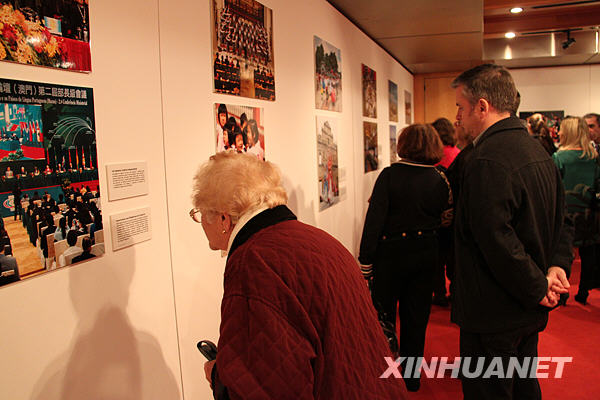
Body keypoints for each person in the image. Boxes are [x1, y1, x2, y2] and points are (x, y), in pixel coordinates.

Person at [191, 152, 405, 399]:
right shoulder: (315, 238)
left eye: (199, 213)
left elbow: (266, 385)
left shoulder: (253, 263)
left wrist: (220, 377)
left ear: (222, 219)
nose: (200, 222)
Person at [451, 64, 573, 400]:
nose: (458, 118)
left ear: (482, 107)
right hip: (524, 305)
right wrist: (555, 269)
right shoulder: (539, 151)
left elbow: (495, 240)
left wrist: (539, 284)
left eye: (461, 107)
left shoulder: (485, 159)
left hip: (495, 310)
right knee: (523, 384)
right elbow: (562, 221)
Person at [359, 123, 451, 392]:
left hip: (391, 254)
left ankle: (383, 371)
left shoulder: (390, 176)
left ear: (404, 145)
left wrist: (366, 261)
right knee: (416, 316)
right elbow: (445, 219)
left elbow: (374, 221)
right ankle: (412, 377)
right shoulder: (439, 177)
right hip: (426, 251)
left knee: (383, 315)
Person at [553, 116, 600, 305]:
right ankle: (583, 291)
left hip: (565, 215)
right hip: (589, 214)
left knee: (563, 253)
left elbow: (554, 187)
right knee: (588, 254)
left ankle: (562, 293)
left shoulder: (559, 158)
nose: (559, 132)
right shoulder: (594, 159)